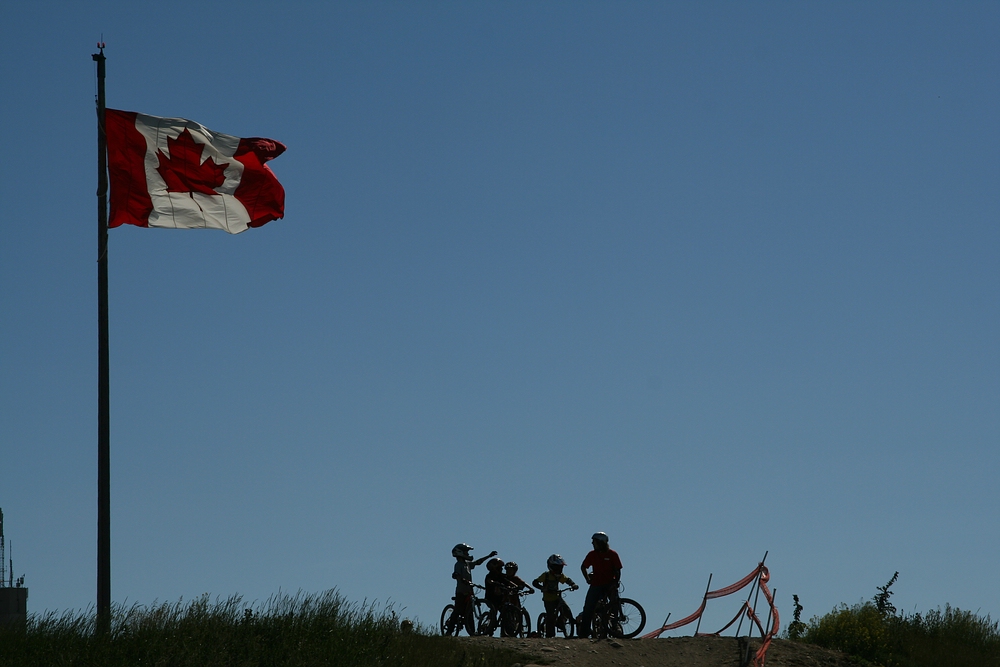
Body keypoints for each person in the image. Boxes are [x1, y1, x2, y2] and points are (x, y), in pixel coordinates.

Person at [577, 532, 622, 638]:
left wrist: (616, 583)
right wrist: (587, 579)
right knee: (588, 607)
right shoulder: (592, 554)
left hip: (609, 584)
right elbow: (583, 567)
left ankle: (615, 626)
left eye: (594, 541)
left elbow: (618, 570)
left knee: (615, 603)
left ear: (600, 542)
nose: (592, 543)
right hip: (596, 584)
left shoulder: (612, 554)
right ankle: (584, 633)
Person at [447, 543, 497, 635]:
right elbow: (456, 574)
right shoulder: (459, 564)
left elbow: (478, 562)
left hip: (469, 591)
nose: (467, 554)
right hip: (461, 592)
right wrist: (462, 579)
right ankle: (449, 631)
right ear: (460, 553)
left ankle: (472, 632)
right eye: (466, 552)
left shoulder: (467, 564)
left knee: (469, 612)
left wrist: (489, 556)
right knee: (457, 610)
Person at [532, 554, 579, 637]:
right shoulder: (546, 575)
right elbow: (535, 582)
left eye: (560, 567)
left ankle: (561, 622)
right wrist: (542, 588)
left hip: (557, 596)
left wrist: (573, 584)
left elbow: (567, 580)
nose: (559, 570)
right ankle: (550, 635)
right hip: (548, 599)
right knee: (551, 616)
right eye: (557, 567)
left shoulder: (559, 576)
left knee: (566, 610)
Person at [481, 557, 507, 634]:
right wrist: (494, 583)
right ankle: (490, 628)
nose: (501, 569)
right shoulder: (489, 576)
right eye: (500, 568)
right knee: (494, 611)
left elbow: (507, 581)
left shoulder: (500, 576)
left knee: (504, 611)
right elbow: (489, 581)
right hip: (491, 598)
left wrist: (514, 585)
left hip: (500, 597)